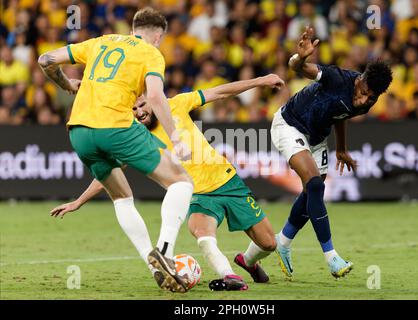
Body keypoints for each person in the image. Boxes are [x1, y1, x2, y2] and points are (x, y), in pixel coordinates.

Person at [50, 74, 285, 291]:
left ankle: (247, 261)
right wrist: (78, 201)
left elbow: (219, 92)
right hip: (197, 197)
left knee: (269, 243)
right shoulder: (133, 139)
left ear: (151, 100)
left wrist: (260, 80)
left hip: (228, 182)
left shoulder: (176, 104)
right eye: (133, 110)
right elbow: (108, 176)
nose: (139, 112)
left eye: (142, 105)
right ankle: (230, 276)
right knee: (203, 235)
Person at [39, 7, 194, 293]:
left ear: (133, 27)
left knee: (122, 198)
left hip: (79, 132)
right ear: (158, 36)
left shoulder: (101, 41)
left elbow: (45, 59)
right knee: (182, 182)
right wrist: (176, 137)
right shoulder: (151, 53)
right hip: (115, 126)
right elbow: (157, 97)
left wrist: (67, 84)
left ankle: (155, 268)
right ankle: (165, 251)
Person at [270, 27, 392, 279]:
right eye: (363, 92)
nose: (362, 100)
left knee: (310, 192)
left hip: (317, 138)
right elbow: (297, 68)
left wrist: (342, 148)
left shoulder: (369, 100)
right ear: (360, 79)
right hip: (290, 124)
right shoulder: (337, 78)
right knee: (315, 185)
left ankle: (279, 243)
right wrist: (301, 57)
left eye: (370, 98)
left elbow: (342, 114)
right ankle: (331, 256)